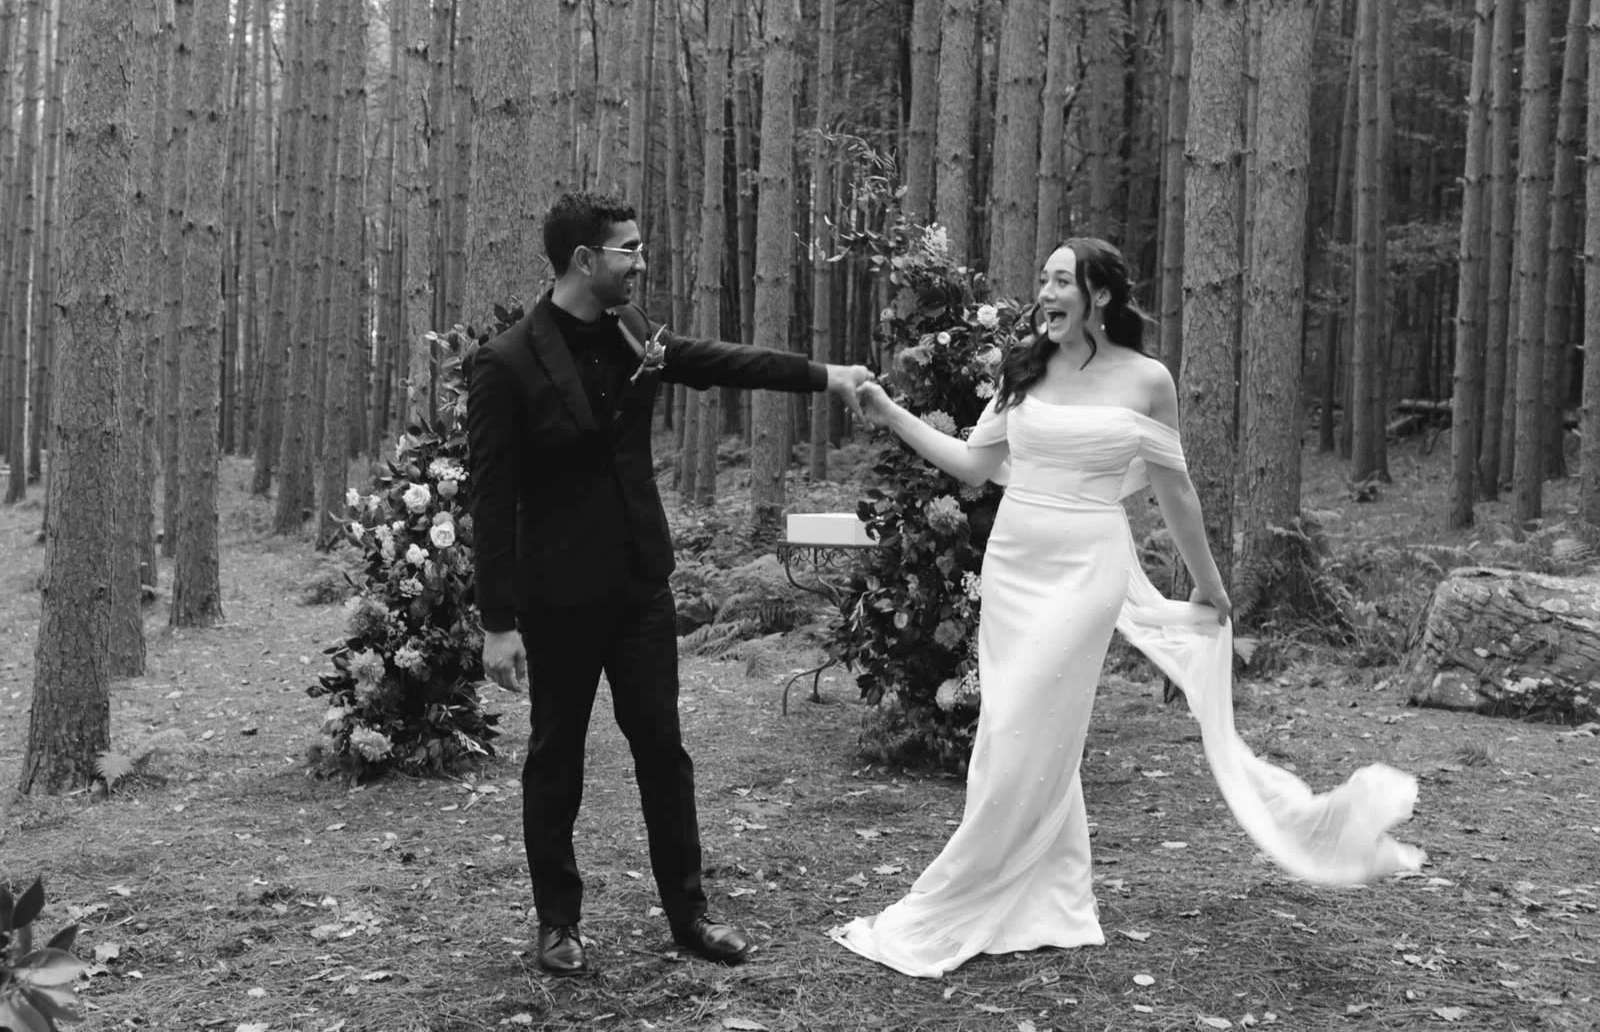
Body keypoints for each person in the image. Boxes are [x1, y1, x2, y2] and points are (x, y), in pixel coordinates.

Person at [831, 237, 1423, 978]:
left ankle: (966, 891)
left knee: (1026, 727)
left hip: (1087, 570)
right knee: (1015, 731)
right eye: (1040, 278)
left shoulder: (1148, 381)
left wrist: (1209, 584)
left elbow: (1177, 493)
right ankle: (1053, 898)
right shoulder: (1024, 369)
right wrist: (890, 412)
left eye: (1059, 280)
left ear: (1099, 294)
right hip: (1014, 567)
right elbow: (975, 467)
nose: (1044, 292)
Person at [467, 191, 872, 975]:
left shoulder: (634, 333)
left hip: (640, 591)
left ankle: (689, 914)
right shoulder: (506, 361)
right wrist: (497, 622)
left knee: (663, 750)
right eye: (629, 248)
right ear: (585, 260)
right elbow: (491, 498)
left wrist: (827, 376)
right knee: (556, 758)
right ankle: (557, 922)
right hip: (555, 601)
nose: (641, 260)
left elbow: (726, 360)